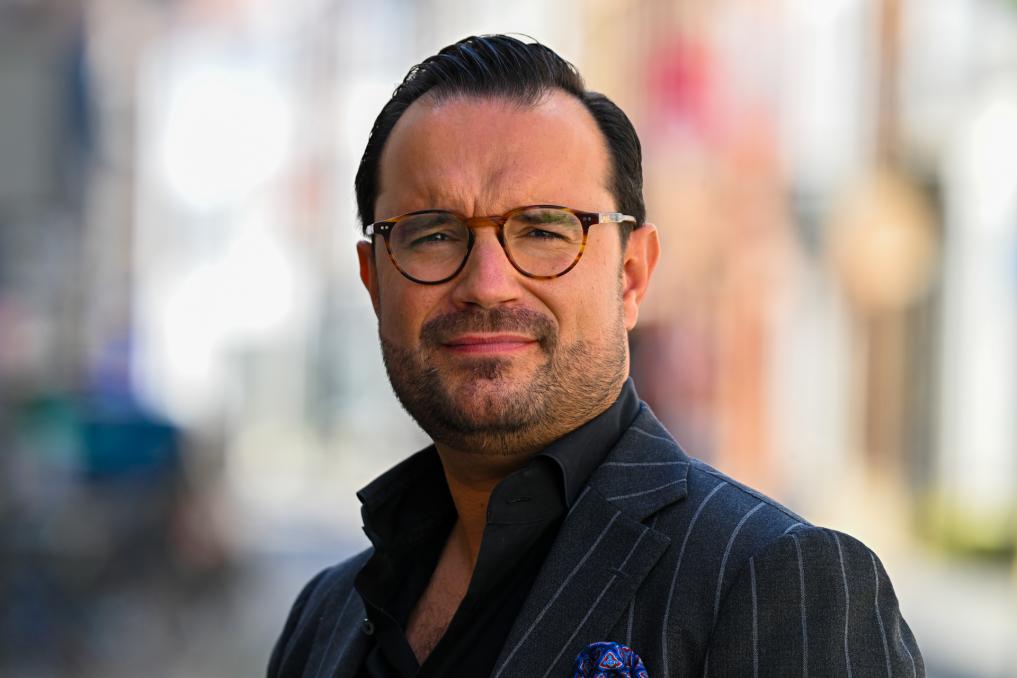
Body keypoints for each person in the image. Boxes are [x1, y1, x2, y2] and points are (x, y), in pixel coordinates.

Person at [268, 34, 923, 678]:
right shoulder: (324, 617)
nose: (487, 284)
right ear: (375, 282)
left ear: (631, 276)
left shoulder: (775, 581)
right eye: (433, 235)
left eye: (543, 230)